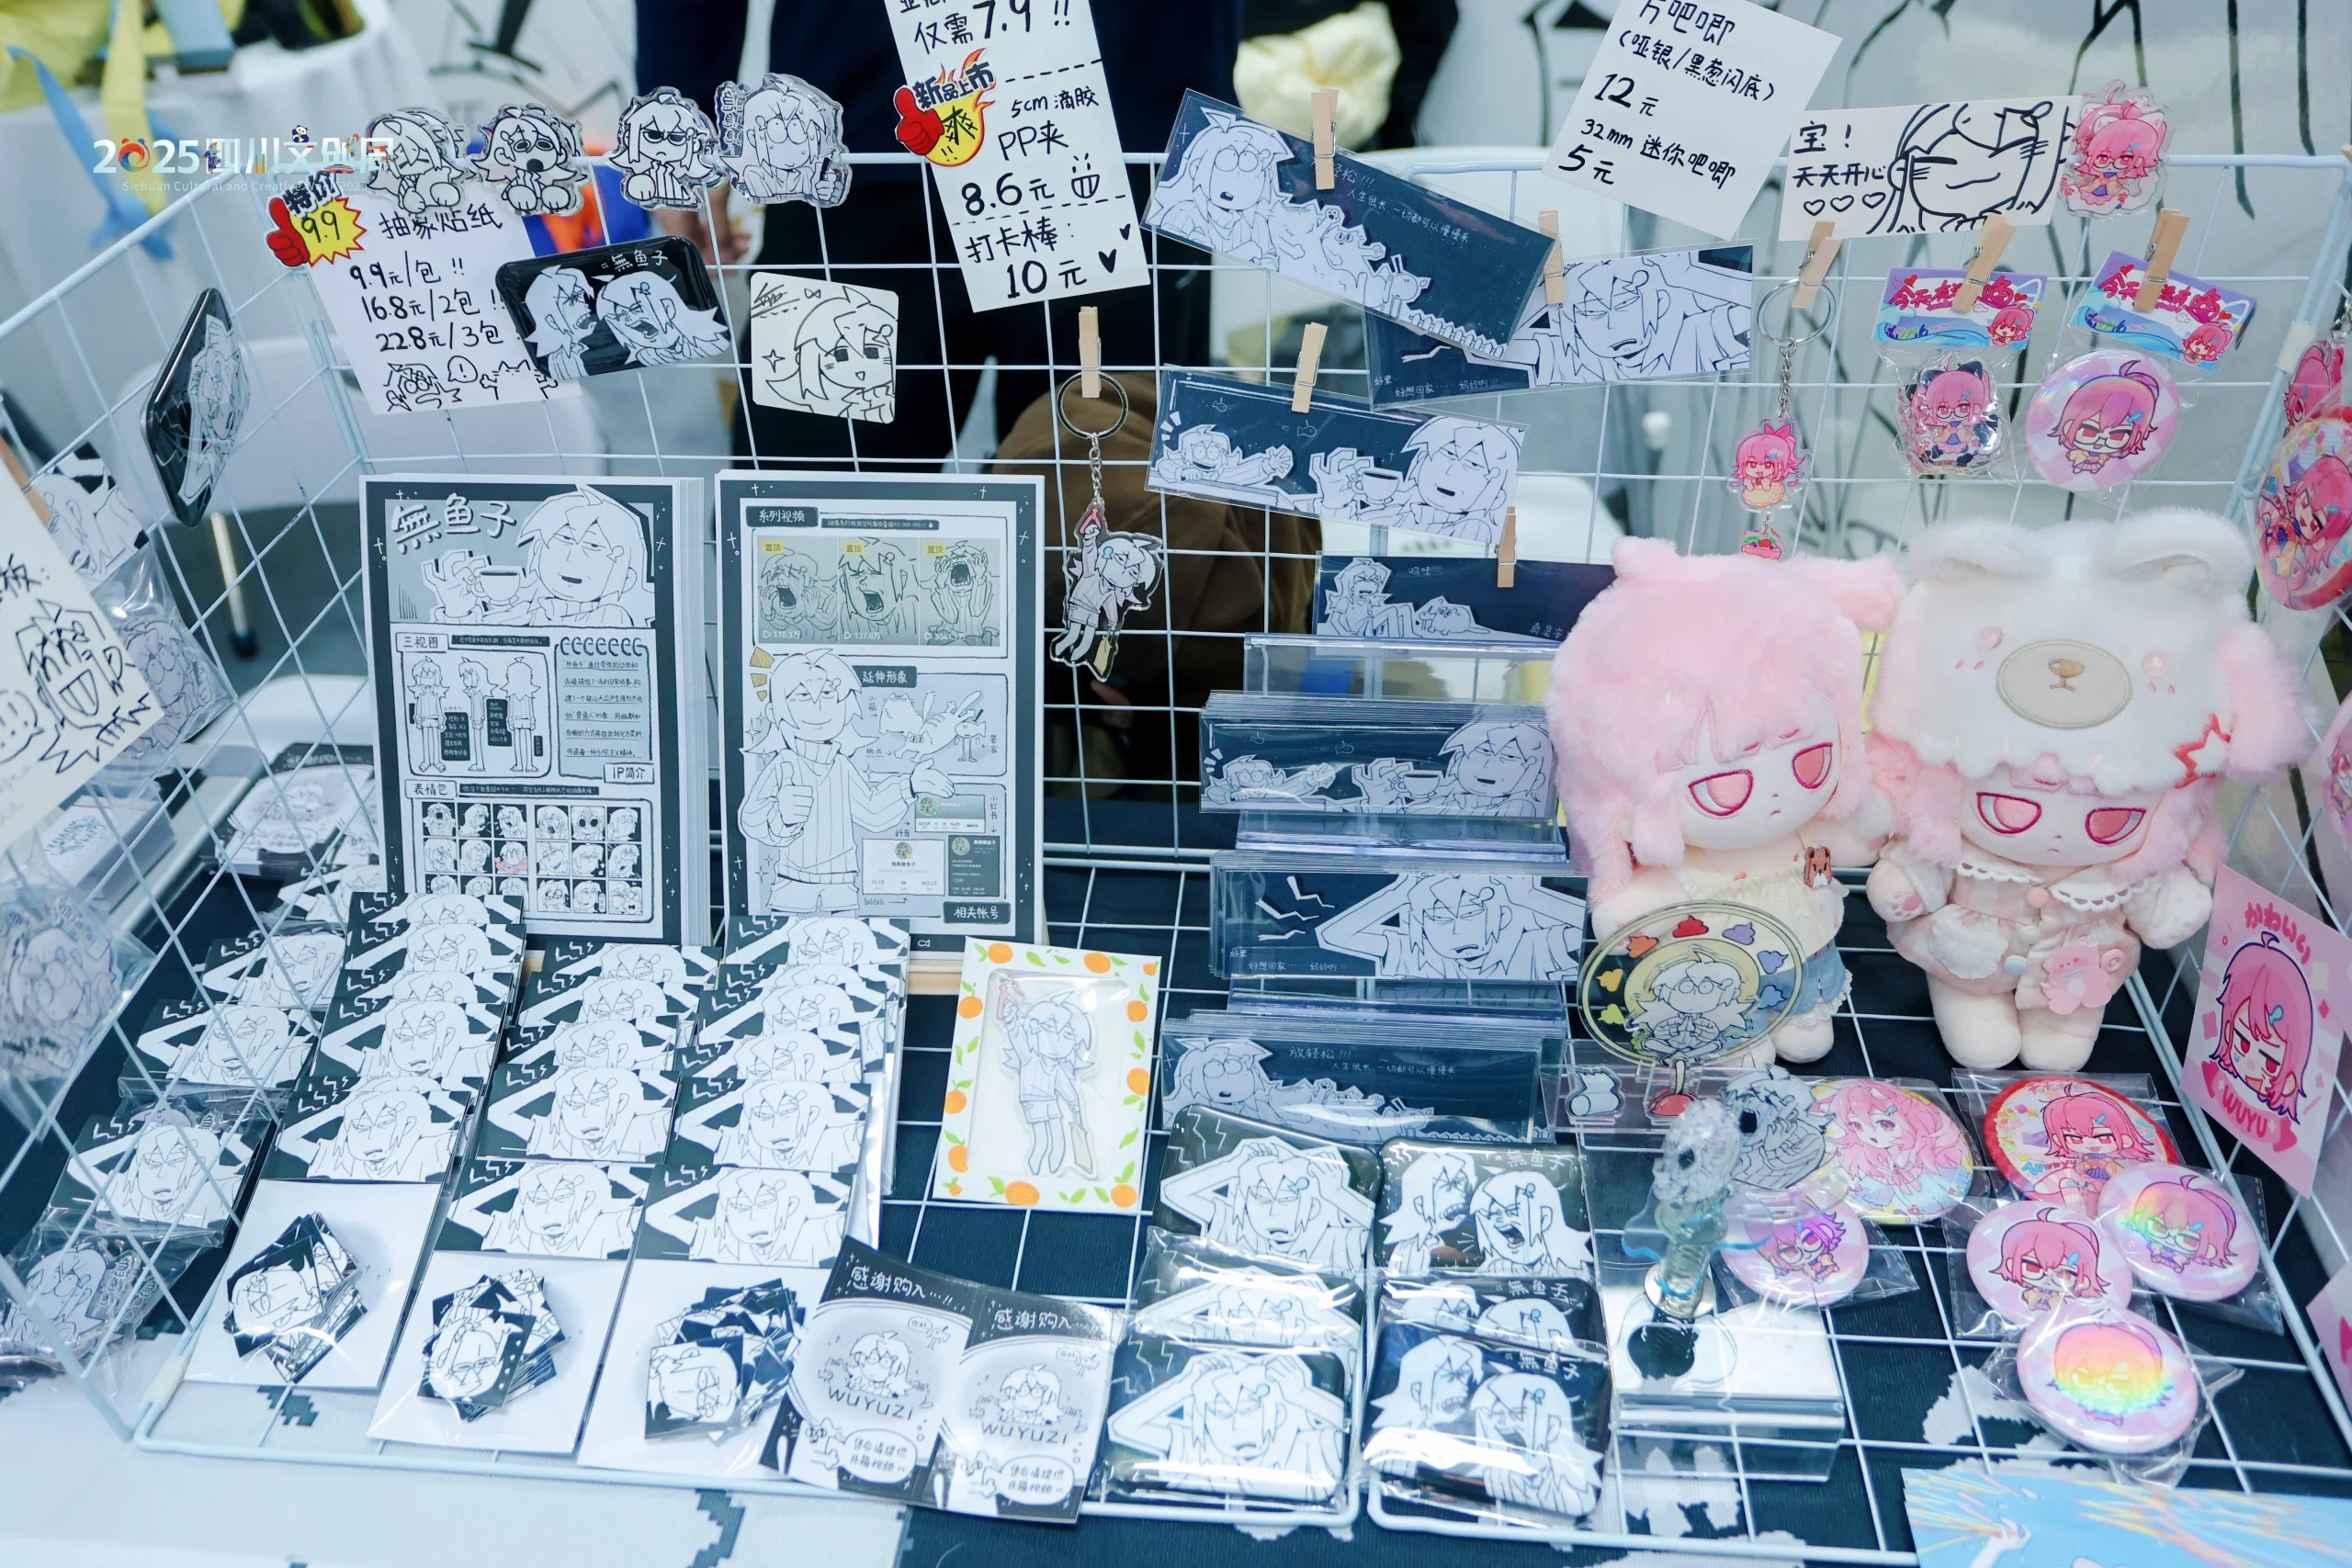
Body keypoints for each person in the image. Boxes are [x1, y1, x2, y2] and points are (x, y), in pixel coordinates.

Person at [633, 0, 1240, 466]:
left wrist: (681, 117)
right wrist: (680, 124)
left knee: (1118, 524)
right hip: (859, 150)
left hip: (1104, 142)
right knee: (811, 518)